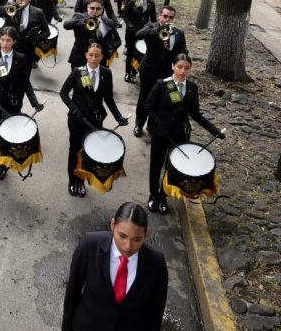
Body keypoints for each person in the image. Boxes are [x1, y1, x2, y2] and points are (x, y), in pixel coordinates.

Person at [62, 202, 168, 330]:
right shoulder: (89, 246)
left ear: (146, 234)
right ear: (112, 225)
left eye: (137, 239)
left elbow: (155, 313)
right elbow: (72, 293)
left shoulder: (156, 262)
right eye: (122, 236)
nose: (128, 246)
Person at [144, 54, 225, 214]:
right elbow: (148, 107)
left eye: (186, 68)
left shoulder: (192, 88)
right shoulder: (162, 85)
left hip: (179, 135)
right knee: (156, 166)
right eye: (179, 67)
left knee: (171, 167)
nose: (182, 71)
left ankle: (163, 196)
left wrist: (214, 130)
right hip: (161, 134)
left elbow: (195, 114)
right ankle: (153, 195)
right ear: (173, 66)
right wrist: (159, 125)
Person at [60, 44, 128, 197]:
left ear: (102, 57)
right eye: (91, 55)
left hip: (95, 121)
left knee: (88, 152)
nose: (93, 58)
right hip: (77, 120)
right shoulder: (78, 72)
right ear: (86, 55)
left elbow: (109, 99)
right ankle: (72, 180)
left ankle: (81, 181)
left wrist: (118, 116)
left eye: (97, 55)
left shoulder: (106, 73)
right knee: (75, 149)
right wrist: (74, 110)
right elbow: (63, 93)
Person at [0, 27, 43, 180]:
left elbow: (26, 83)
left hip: (12, 105)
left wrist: (34, 102)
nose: (5, 43)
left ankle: (5, 165)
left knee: (7, 137)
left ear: (14, 42)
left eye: (8, 40)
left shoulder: (20, 58)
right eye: (2, 39)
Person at [133, 5, 187, 137]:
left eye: (171, 17)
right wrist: (159, 29)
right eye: (165, 16)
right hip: (149, 70)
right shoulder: (151, 27)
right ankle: (139, 124)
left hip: (167, 73)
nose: (167, 19)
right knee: (145, 98)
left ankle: (152, 125)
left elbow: (183, 49)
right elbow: (138, 34)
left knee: (160, 100)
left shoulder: (179, 33)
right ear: (159, 16)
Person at [64, 0, 122, 69]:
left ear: (102, 9)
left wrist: (110, 49)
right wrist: (84, 21)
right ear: (87, 7)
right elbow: (66, 25)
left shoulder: (108, 22)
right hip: (80, 59)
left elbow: (118, 41)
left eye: (98, 9)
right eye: (92, 8)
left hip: (99, 61)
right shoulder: (79, 16)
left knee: (97, 80)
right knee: (80, 80)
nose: (95, 11)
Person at [122, 0, 156, 84]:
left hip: (143, 32)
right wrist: (131, 26)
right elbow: (125, 16)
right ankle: (128, 72)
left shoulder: (150, 3)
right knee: (130, 53)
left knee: (138, 54)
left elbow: (153, 18)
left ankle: (134, 72)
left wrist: (152, 29)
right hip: (132, 32)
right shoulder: (133, 1)